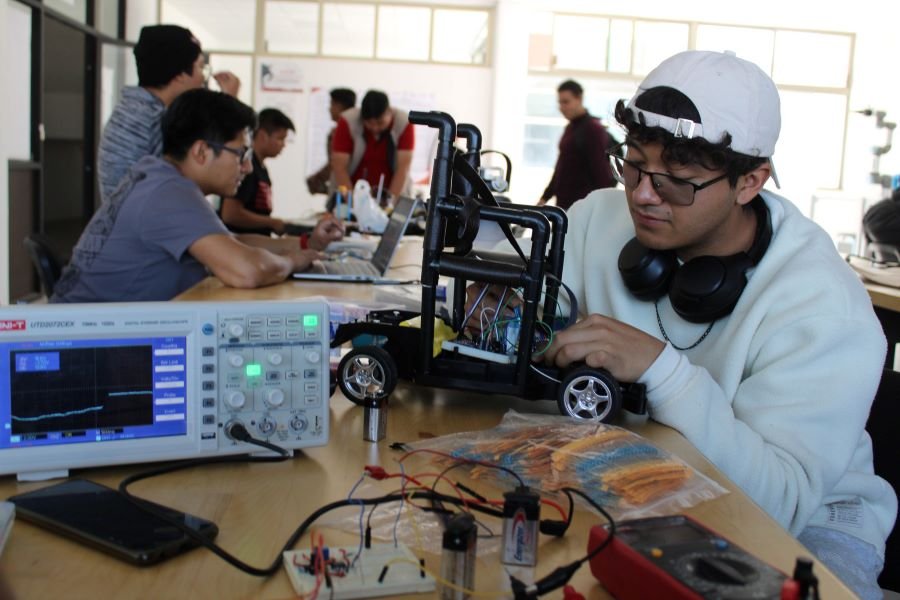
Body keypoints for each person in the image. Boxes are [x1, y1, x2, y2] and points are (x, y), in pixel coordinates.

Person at [471, 51, 896, 599]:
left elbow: (778, 505)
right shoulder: (594, 218)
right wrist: (493, 312)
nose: (642, 195)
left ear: (750, 182)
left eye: (677, 180)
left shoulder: (823, 305)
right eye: (633, 164)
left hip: (811, 521)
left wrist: (662, 371)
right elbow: (516, 320)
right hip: (627, 472)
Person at [52, 89, 343, 303]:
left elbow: (231, 243)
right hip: (89, 350)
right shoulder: (168, 192)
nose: (246, 167)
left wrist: (307, 243)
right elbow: (246, 271)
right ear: (201, 151)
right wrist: (293, 261)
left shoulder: (159, 177)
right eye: (240, 154)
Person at [97, 24, 241, 202]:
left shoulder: (134, 109)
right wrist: (229, 103)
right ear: (180, 75)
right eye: (200, 67)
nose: (203, 78)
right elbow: (201, 170)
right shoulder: (153, 120)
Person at [538, 79, 616, 210]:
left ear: (579, 98)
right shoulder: (571, 127)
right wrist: (545, 197)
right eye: (560, 103)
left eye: (566, 102)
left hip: (582, 207)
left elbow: (601, 174)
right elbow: (561, 167)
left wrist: (601, 209)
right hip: (565, 206)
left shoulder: (592, 129)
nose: (562, 108)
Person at [331, 90, 414, 205]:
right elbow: (339, 166)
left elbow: (403, 168)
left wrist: (388, 205)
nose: (375, 128)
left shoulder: (404, 123)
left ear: (389, 112)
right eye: (369, 123)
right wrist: (353, 203)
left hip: (391, 195)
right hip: (350, 195)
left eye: (380, 123)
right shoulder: (348, 121)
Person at [220, 108, 295, 236]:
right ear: (262, 136)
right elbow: (230, 214)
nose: (283, 145)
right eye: (280, 138)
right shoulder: (246, 168)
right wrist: (271, 223)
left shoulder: (261, 169)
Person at [306, 88, 357, 195]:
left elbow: (334, 164)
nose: (329, 109)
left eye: (332, 104)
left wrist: (315, 181)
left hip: (344, 189)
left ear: (340, 107)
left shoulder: (338, 133)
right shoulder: (358, 131)